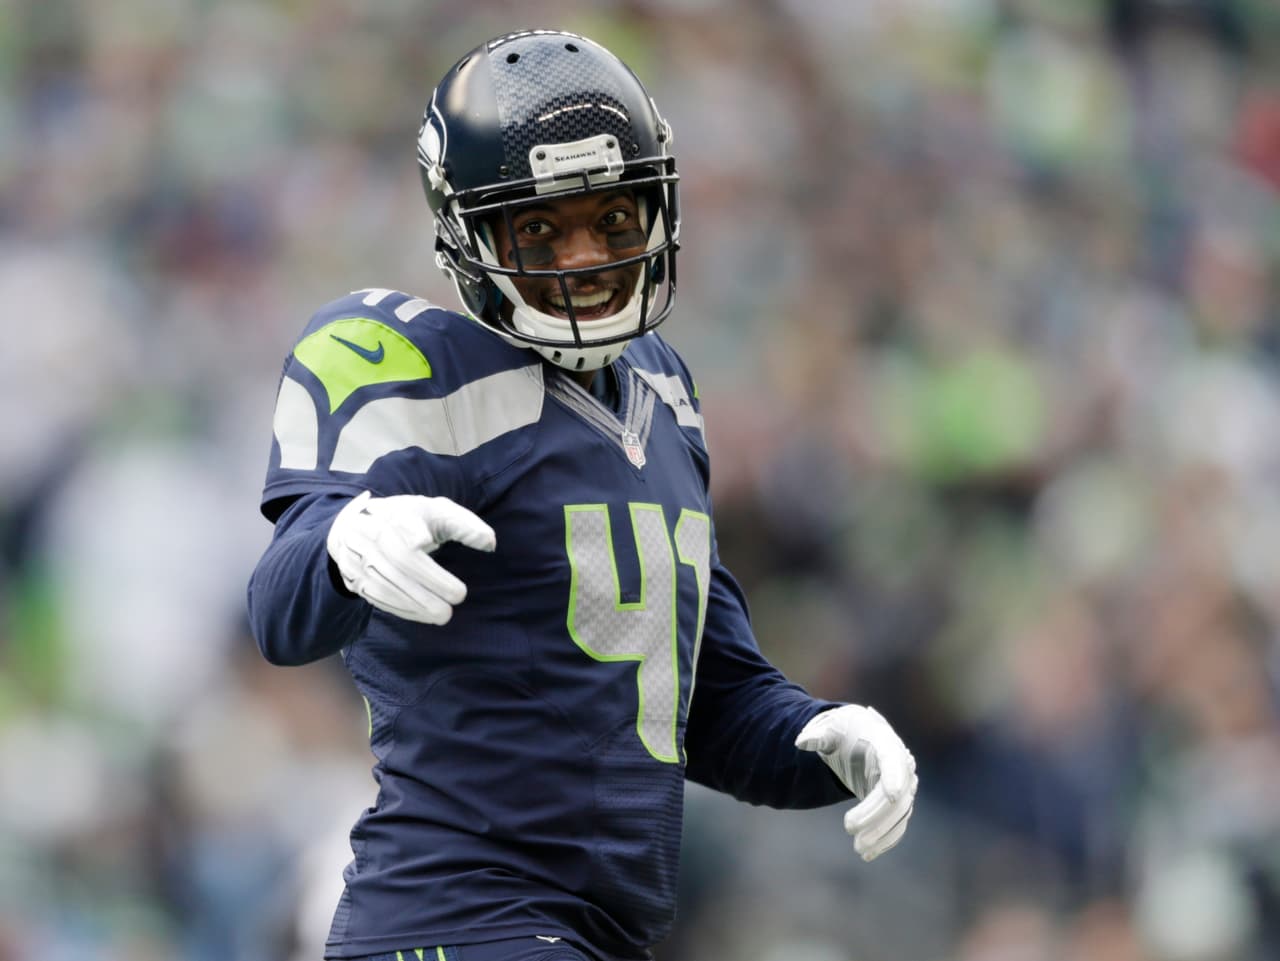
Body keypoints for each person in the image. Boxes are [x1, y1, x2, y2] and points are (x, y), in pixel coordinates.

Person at [246, 28, 918, 961]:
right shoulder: (416, 369)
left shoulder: (663, 394)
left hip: (586, 931)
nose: (585, 257)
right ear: (468, 234)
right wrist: (338, 543)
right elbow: (279, 608)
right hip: (456, 918)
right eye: (540, 229)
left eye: (613, 220)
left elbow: (707, 700)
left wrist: (821, 734)